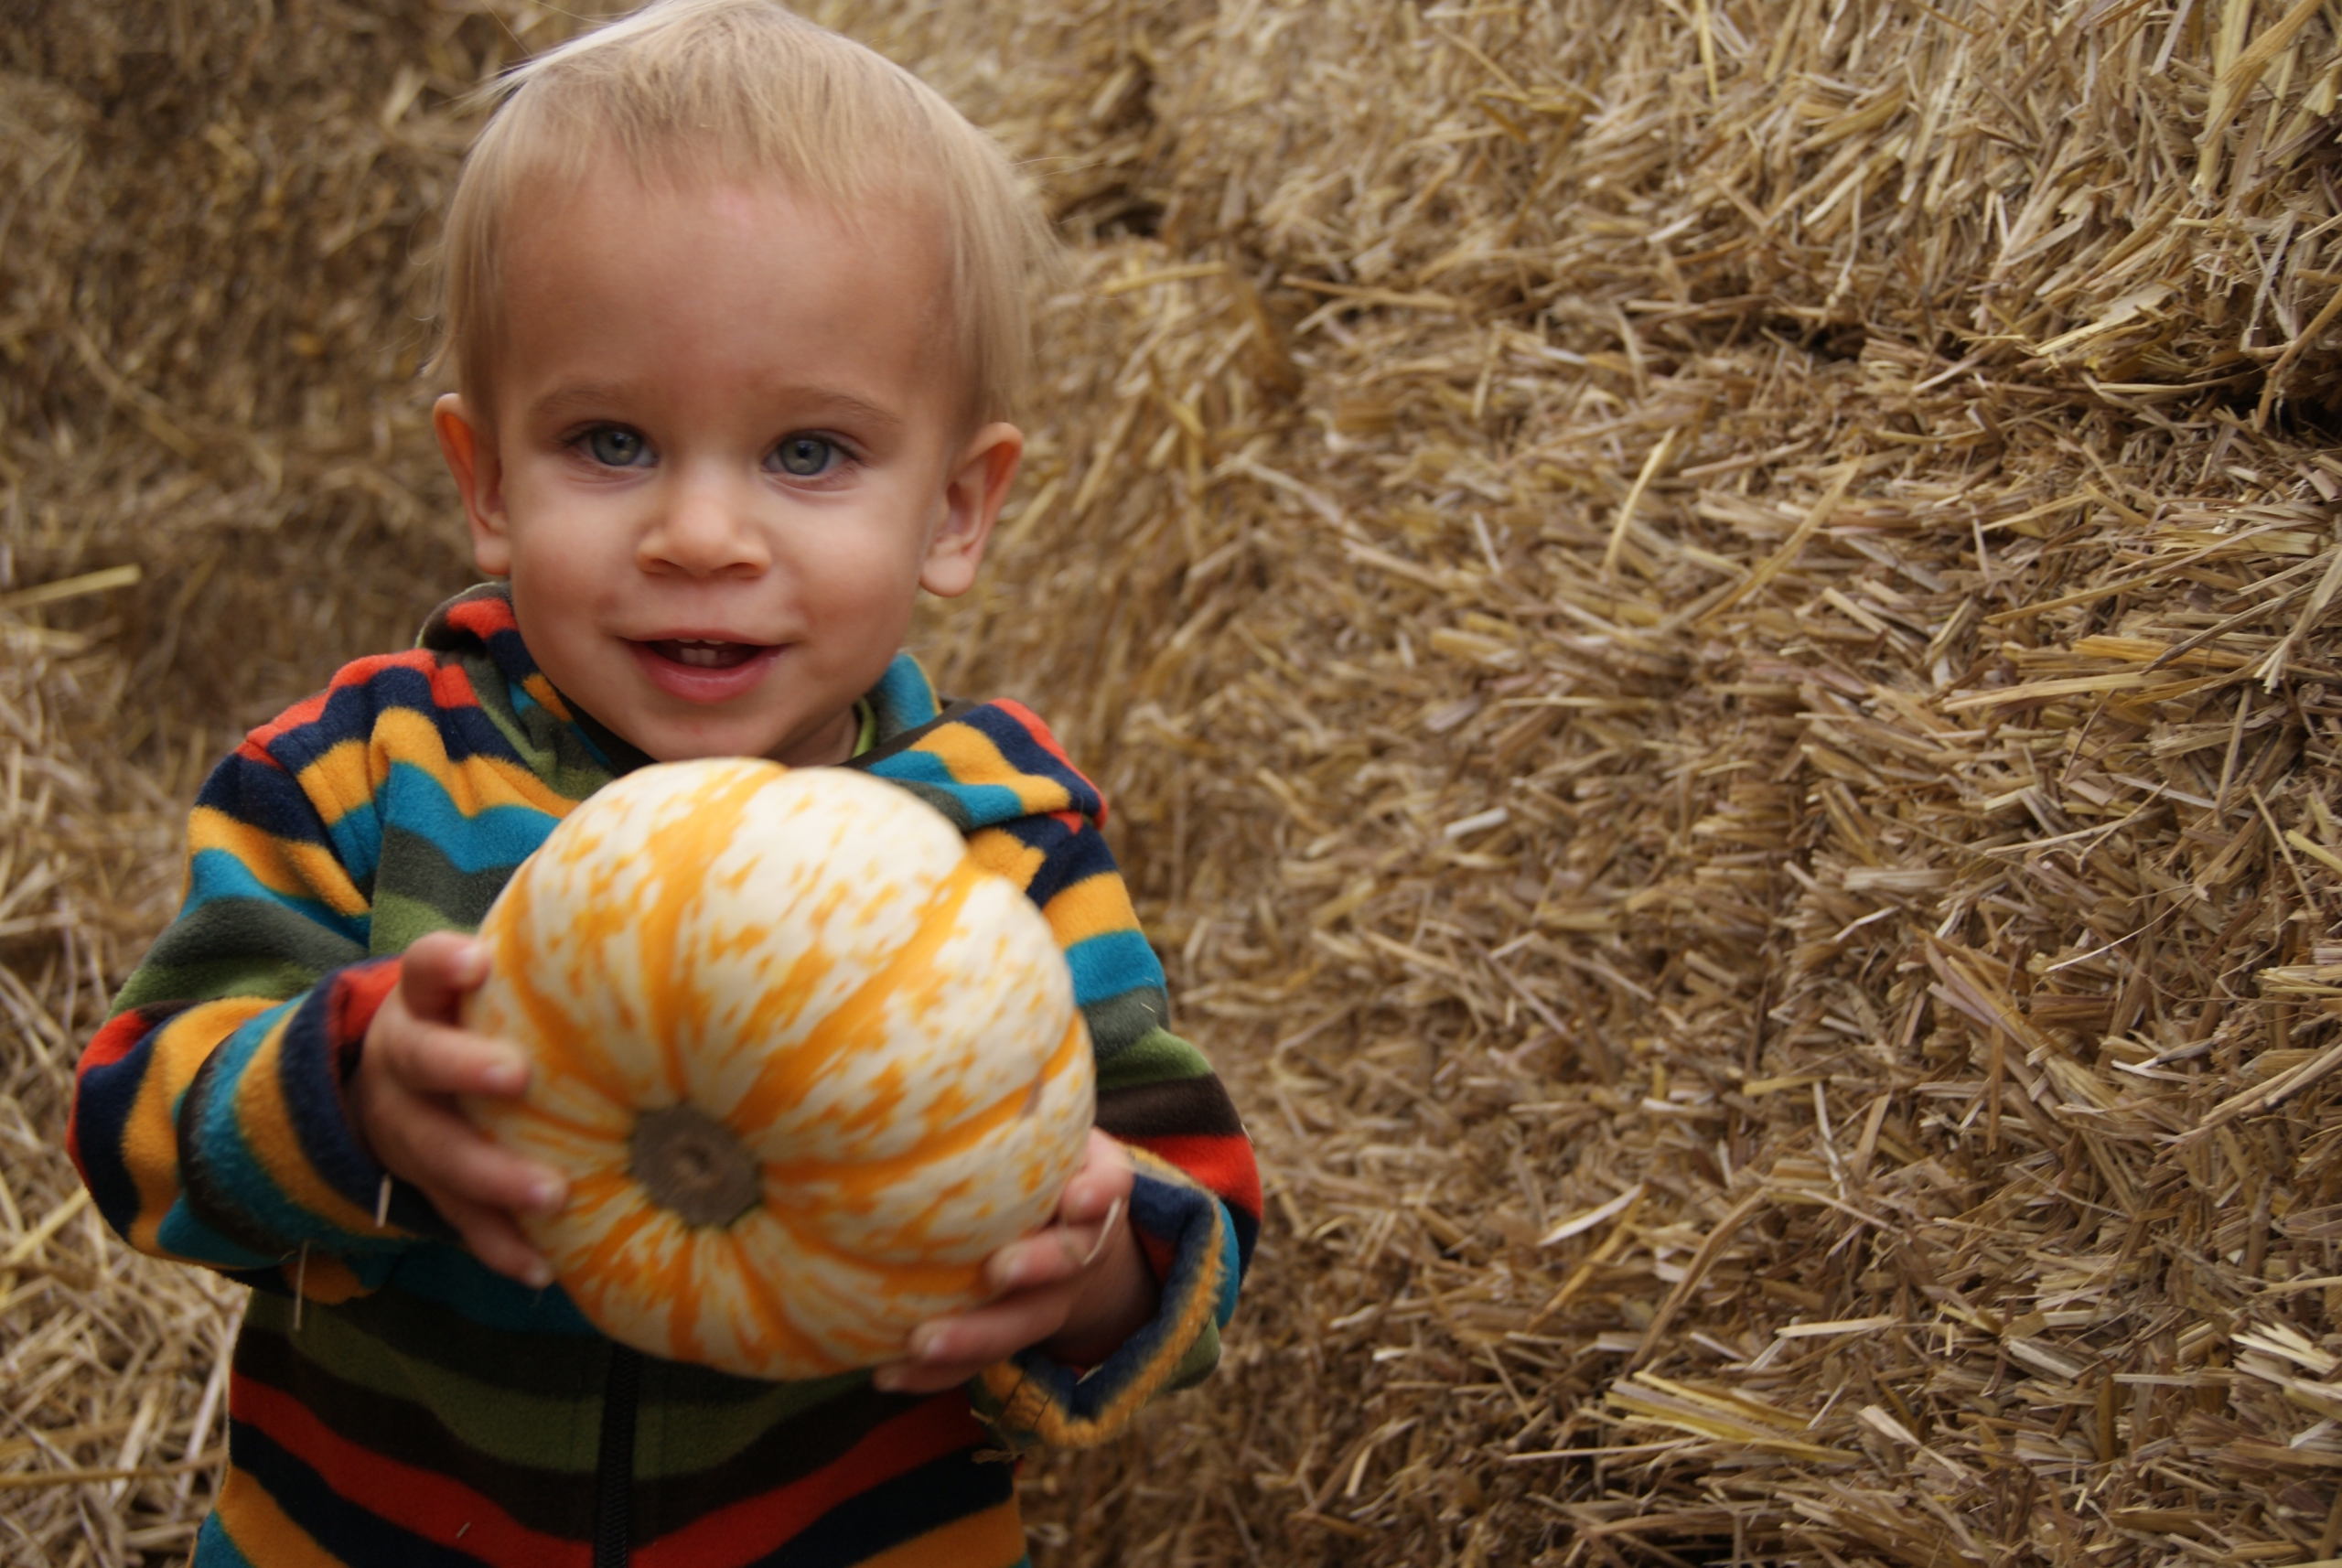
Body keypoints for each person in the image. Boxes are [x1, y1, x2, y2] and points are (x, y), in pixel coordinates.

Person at [67, 4, 1260, 1563]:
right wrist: (348, 1095)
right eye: (612, 440)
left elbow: (1199, 1200)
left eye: (811, 454)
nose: (702, 532)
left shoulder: (1002, 830)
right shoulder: (364, 774)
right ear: (485, 480)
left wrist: (1095, 1254)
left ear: (958, 510)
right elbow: (133, 1132)